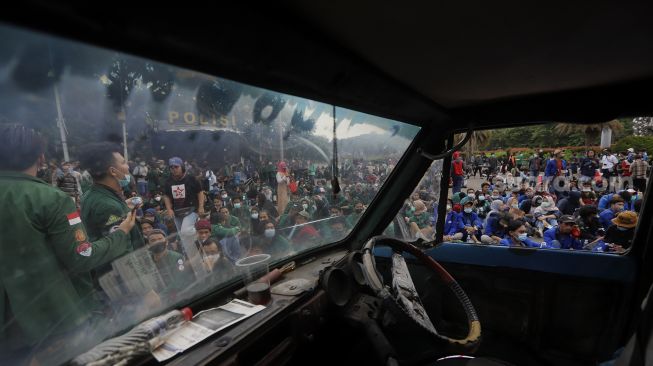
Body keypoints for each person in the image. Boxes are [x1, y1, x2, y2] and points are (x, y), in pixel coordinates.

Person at [0, 123, 137, 365]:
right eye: (124, 162)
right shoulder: (51, 199)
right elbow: (81, 256)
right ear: (40, 157)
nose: (128, 167)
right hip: (54, 322)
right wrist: (121, 233)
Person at [79, 142, 146, 281]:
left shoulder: (91, 195)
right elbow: (122, 253)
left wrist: (124, 206)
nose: (128, 167)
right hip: (121, 282)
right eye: (124, 163)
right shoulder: (108, 206)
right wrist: (145, 291)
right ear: (113, 171)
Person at [163, 156, 206, 277]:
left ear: (181, 167)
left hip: (192, 210)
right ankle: (198, 270)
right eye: (171, 167)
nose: (173, 169)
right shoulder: (168, 181)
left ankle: (199, 232)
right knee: (186, 241)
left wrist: (201, 207)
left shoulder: (191, 178)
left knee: (186, 230)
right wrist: (169, 209)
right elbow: (166, 196)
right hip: (177, 213)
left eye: (176, 167)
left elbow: (200, 192)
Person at [146, 230, 195, 296]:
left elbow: (179, 281)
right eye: (153, 240)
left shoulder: (177, 257)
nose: (157, 242)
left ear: (166, 242)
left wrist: (160, 296)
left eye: (160, 239)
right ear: (148, 245)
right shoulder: (147, 260)